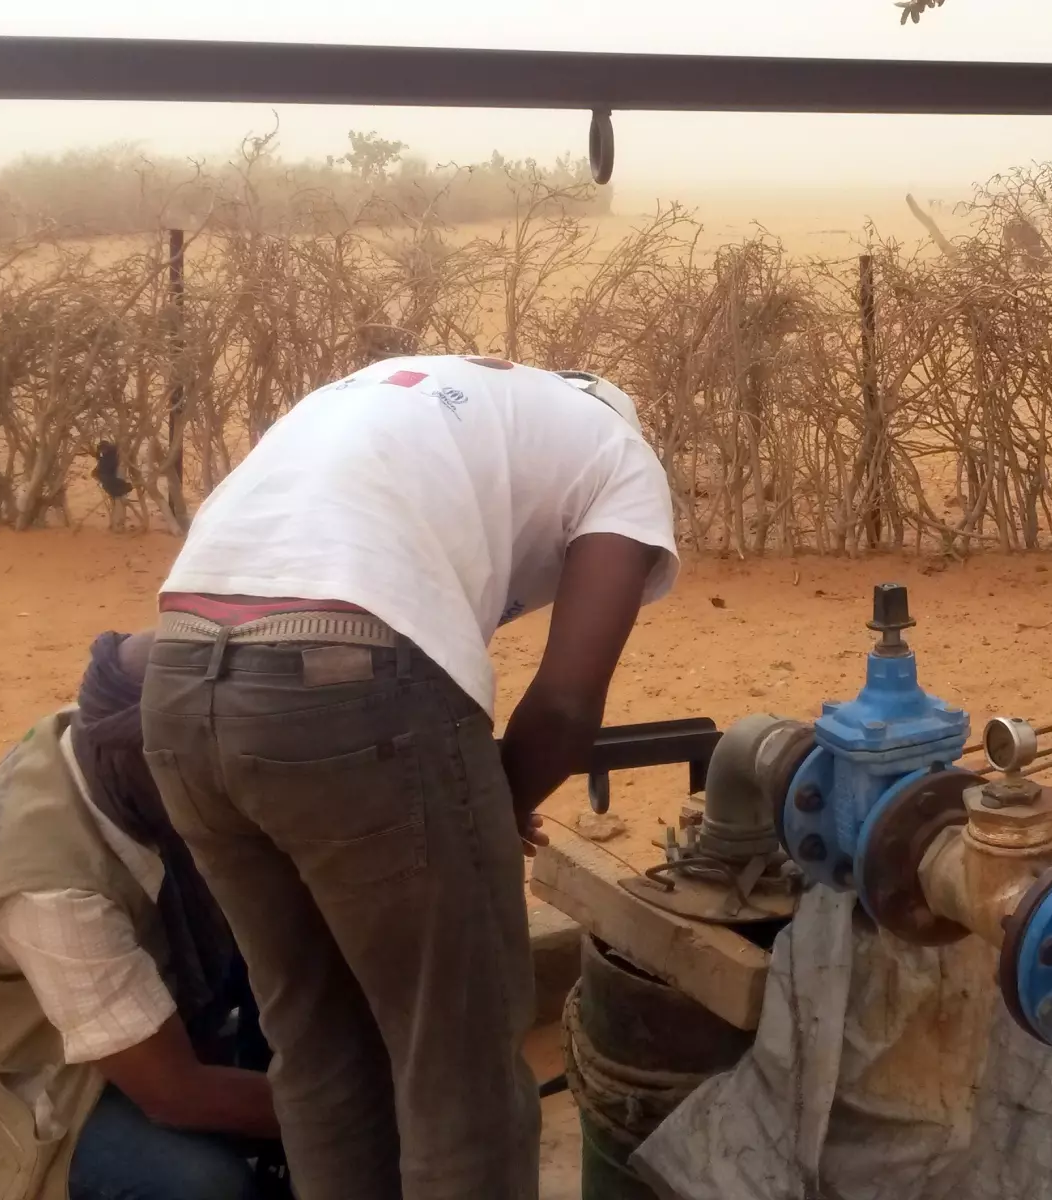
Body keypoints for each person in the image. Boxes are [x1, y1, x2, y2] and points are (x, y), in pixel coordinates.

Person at [139, 355, 678, 1200]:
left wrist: (468, 802)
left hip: (177, 684)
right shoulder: (618, 451)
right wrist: (492, 806)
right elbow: (568, 703)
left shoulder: (420, 395)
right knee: (456, 1067)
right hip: (347, 679)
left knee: (317, 1045)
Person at [0, 631, 283, 1200]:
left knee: (273, 928)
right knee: (203, 1186)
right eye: (210, 772)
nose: (230, 788)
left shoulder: (85, 733)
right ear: (145, 761)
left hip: (59, 1019)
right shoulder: (53, 900)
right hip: (5, 1089)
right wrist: (345, 1113)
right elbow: (175, 1094)